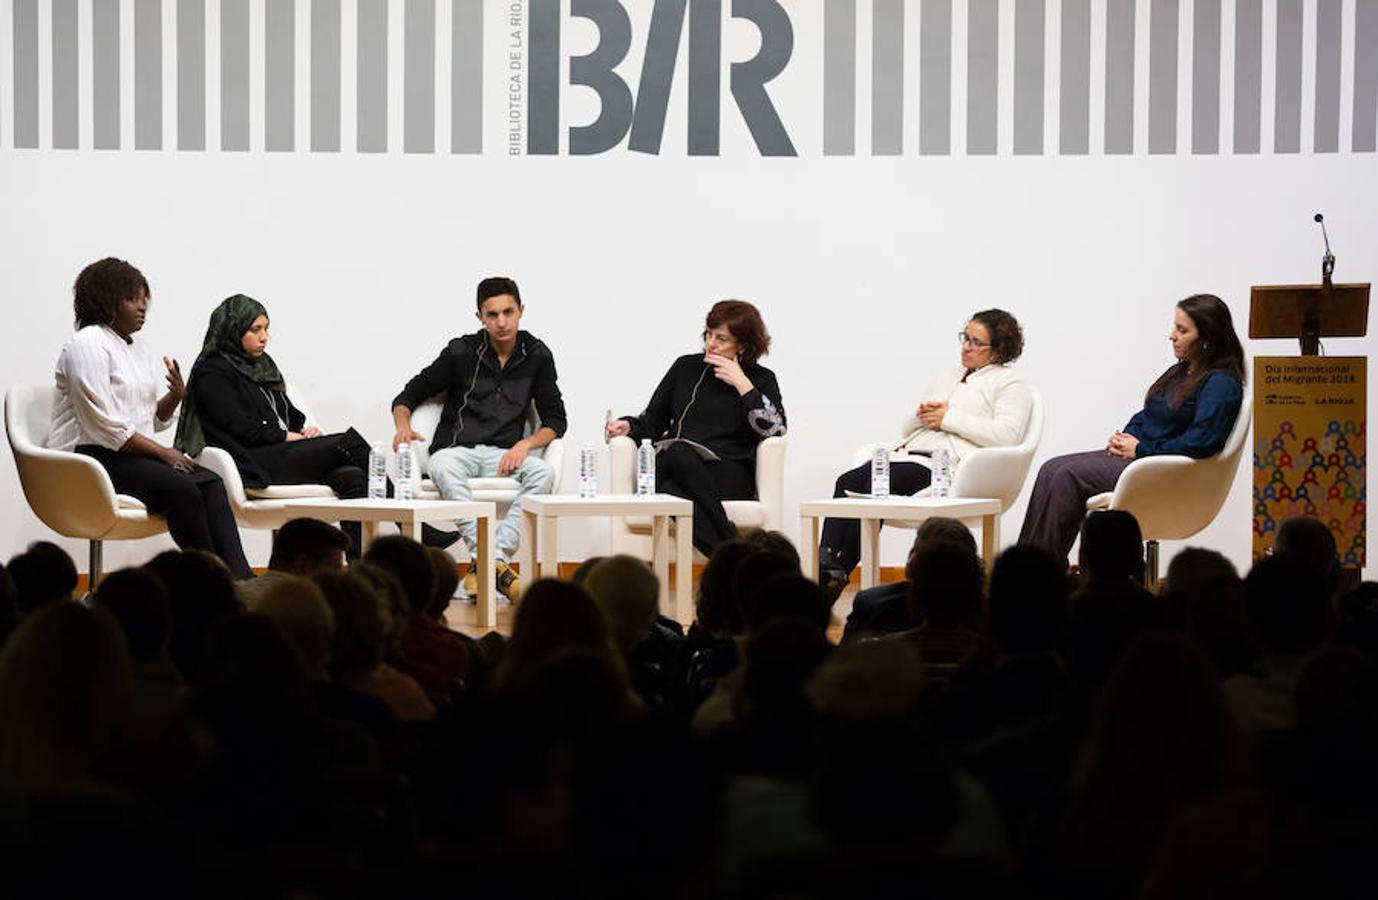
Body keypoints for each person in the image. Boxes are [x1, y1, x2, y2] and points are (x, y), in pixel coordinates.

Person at [47, 258, 252, 579]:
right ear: (104, 300)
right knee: (181, 489)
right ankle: (211, 583)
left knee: (211, 483)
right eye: (131, 299)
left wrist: (175, 397)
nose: (142, 307)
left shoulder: (137, 347)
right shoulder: (87, 344)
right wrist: (164, 453)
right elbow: (105, 427)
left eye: (144, 299)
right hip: (86, 458)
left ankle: (240, 579)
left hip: (125, 453)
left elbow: (148, 420)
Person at [817, 309, 1032, 597]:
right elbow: (907, 429)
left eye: (976, 342)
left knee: (874, 485)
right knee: (848, 481)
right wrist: (921, 415)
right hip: (909, 453)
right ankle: (828, 565)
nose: (966, 347)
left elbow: (1007, 435)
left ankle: (833, 574)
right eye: (965, 338)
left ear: (999, 349)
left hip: (944, 466)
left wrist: (948, 417)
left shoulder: (1010, 383)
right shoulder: (948, 375)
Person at [1019, 294, 1246, 563]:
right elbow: (1148, 414)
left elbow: (1201, 442)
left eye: (1182, 330)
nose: (1171, 336)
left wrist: (1141, 448)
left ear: (1207, 336)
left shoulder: (1220, 383)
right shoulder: (1181, 372)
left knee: (1067, 476)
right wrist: (1126, 437)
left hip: (1166, 473)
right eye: (1174, 327)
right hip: (1144, 459)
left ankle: (1041, 578)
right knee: (1051, 468)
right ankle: (1024, 570)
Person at [391, 277, 566, 601]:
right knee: (441, 465)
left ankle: (486, 563)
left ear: (521, 311)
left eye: (508, 312)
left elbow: (556, 420)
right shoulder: (461, 351)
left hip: (505, 455)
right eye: (492, 315)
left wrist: (525, 445)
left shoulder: (538, 354)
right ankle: (494, 564)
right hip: (458, 451)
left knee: (543, 472)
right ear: (480, 317)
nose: (501, 322)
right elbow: (408, 395)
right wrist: (402, 426)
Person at [175, 294, 371, 552]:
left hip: (283, 454)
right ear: (234, 330)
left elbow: (289, 413)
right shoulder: (213, 371)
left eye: (266, 329)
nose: (264, 337)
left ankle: (357, 568)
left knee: (353, 477)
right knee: (349, 443)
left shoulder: (262, 367)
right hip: (255, 461)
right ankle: (408, 520)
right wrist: (283, 436)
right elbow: (239, 427)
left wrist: (303, 429)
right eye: (255, 329)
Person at [605, 300, 787, 556]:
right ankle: (736, 552)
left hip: (729, 471)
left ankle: (731, 557)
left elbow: (775, 430)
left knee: (669, 489)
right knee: (674, 457)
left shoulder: (760, 379)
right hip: (675, 462)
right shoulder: (685, 367)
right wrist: (628, 427)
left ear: (743, 346)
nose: (710, 344)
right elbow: (653, 421)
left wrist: (742, 384)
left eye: (721, 339)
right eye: (709, 334)